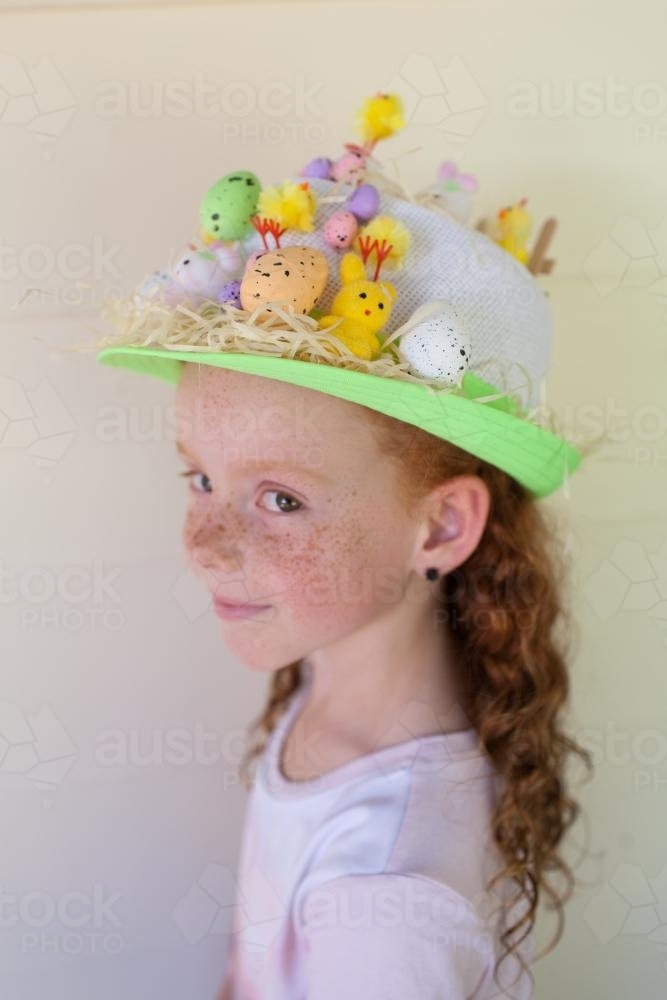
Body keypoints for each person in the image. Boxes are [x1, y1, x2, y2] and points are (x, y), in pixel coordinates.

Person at [95, 92, 593, 1000]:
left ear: (440, 527)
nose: (203, 541)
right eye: (199, 477)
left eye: (280, 498)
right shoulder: (330, 681)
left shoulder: (386, 906)